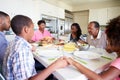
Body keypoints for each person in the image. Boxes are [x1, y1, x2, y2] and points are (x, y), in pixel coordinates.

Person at [3, 15, 68, 80]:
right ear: (26, 29)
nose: (34, 31)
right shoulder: (22, 50)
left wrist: (29, 47)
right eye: (33, 28)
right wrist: (55, 65)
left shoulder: (13, 43)